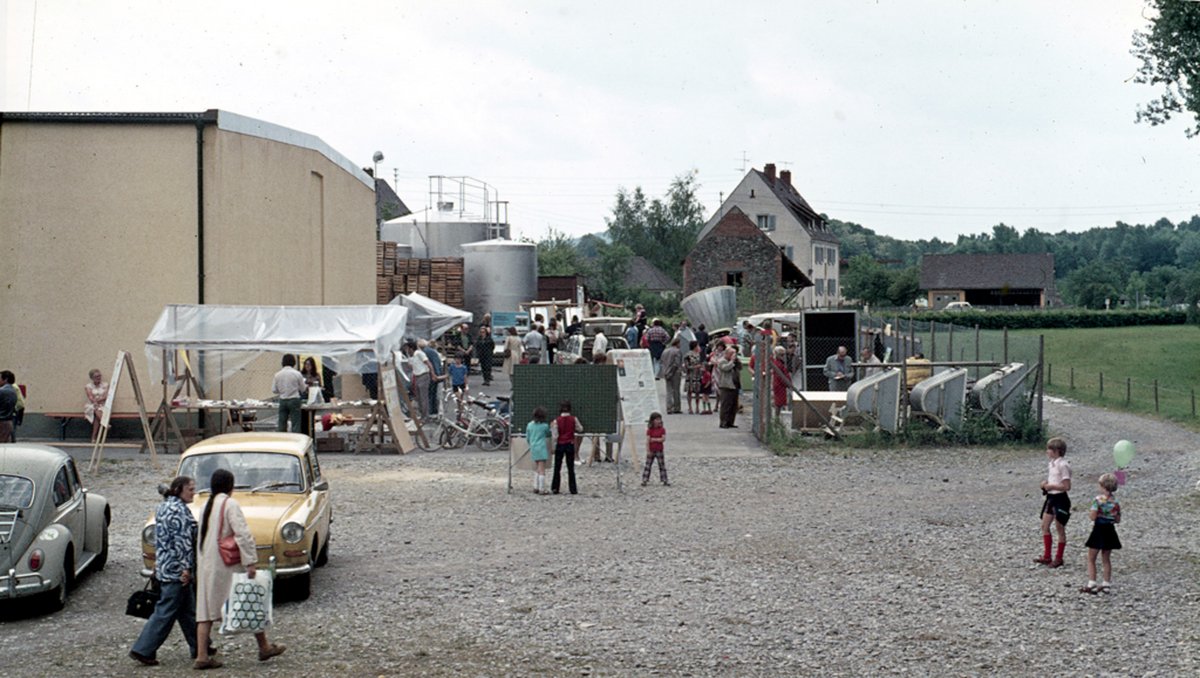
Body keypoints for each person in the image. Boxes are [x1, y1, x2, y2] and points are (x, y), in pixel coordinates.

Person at [194, 469, 284, 670]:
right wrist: (250, 562)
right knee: (249, 600)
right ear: (230, 485)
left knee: (206, 611)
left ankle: (202, 655)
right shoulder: (229, 504)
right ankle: (264, 646)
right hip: (226, 565)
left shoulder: (206, 505)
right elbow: (242, 534)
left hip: (207, 564)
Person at [130, 476, 200, 666]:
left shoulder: (163, 507)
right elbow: (182, 542)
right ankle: (143, 649)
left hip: (165, 566)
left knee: (188, 611)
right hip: (176, 570)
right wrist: (186, 568)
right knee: (165, 611)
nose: (193, 492)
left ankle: (202, 647)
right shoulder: (179, 511)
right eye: (190, 489)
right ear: (179, 490)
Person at [1080, 473, 1122, 594]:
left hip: (1098, 530)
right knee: (1106, 558)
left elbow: (1093, 516)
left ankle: (1092, 581)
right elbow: (1118, 519)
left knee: (1091, 557)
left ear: (1102, 486)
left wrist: (1095, 513)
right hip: (1110, 530)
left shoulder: (1098, 500)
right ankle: (1106, 583)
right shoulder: (1115, 502)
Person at [1035, 437, 1072, 568]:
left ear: (1057, 451)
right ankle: (1047, 555)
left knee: (1059, 528)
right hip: (1051, 498)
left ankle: (1059, 557)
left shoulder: (1063, 465)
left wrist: (1052, 487)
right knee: (1045, 526)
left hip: (1060, 499)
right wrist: (1045, 484)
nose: (1047, 452)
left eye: (1049, 449)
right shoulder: (1052, 464)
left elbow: (1066, 486)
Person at [549, 400, 583, 495]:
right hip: (570, 444)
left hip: (560, 444)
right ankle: (573, 489)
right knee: (570, 468)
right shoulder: (574, 419)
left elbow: (555, 436)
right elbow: (580, 429)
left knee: (557, 467)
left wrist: (553, 446)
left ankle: (555, 488)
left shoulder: (556, 421)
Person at [272, 355, 306, 433]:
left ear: (283, 362)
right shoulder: (297, 374)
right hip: (294, 399)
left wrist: (282, 391)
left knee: (282, 422)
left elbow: (274, 390)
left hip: (283, 400)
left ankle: (283, 439)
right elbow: (303, 389)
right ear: (293, 362)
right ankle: (295, 439)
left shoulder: (277, 375)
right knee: (295, 423)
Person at [526, 407, 551, 494]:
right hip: (542, 448)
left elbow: (528, 438)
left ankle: (535, 486)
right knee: (542, 469)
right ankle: (542, 488)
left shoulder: (529, 425)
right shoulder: (544, 426)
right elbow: (548, 433)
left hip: (533, 448)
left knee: (537, 468)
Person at [406, 342, 433, 421]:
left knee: (423, 397)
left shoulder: (419, 353)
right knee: (418, 397)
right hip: (417, 376)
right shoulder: (412, 356)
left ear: (411, 348)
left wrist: (433, 374)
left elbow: (428, 363)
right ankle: (422, 415)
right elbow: (410, 366)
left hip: (423, 375)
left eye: (408, 349)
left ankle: (425, 416)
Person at [642, 412, 670, 486]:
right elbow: (648, 440)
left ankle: (664, 479)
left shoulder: (662, 429)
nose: (659, 421)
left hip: (659, 449)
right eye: (657, 419)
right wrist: (648, 450)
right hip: (651, 449)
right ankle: (645, 479)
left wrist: (654, 439)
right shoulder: (650, 430)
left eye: (659, 419)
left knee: (661, 465)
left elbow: (663, 439)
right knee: (648, 465)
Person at [715, 346, 739, 428]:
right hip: (726, 385)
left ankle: (730, 422)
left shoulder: (734, 362)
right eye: (732, 354)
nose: (733, 355)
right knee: (726, 405)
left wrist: (736, 361)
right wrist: (732, 361)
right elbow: (725, 368)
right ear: (727, 354)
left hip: (735, 385)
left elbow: (740, 367)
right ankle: (723, 422)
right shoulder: (722, 361)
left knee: (733, 405)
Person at [84, 368, 109, 442]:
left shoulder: (105, 385)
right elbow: (90, 397)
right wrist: (95, 402)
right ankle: (104, 423)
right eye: (96, 377)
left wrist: (97, 401)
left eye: (99, 376)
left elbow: (105, 396)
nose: (99, 378)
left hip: (103, 405)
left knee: (96, 416)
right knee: (95, 408)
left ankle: (93, 437)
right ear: (92, 378)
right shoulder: (88, 386)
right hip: (91, 405)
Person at [421, 341, 444, 415]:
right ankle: (433, 410)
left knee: (430, 393)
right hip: (434, 374)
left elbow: (433, 364)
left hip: (430, 375)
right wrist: (438, 374)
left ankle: (431, 410)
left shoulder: (426, 351)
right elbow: (436, 364)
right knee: (433, 393)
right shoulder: (432, 352)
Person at [661, 337, 683, 414]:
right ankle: (676, 407)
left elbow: (662, 362)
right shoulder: (677, 351)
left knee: (669, 390)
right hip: (675, 373)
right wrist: (672, 371)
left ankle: (669, 407)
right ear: (677, 343)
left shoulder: (665, 351)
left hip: (666, 372)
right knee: (676, 390)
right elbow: (676, 363)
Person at [770, 345, 791, 419]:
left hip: (781, 384)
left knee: (780, 403)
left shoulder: (780, 363)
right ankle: (776, 417)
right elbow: (780, 376)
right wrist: (787, 383)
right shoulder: (778, 363)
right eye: (781, 354)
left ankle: (777, 417)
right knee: (778, 403)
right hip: (780, 385)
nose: (783, 356)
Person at [684, 341, 704, 415]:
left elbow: (701, 363)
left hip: (698, 375)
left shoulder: (699, 355)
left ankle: (697, 407)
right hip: (690, 375)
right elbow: (686, 366)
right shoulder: (688, 355)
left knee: (697, 392)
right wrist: (695, 367)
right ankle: (690, 407)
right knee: (690, 391)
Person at [0, 371, 17, 444]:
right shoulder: (13, 391)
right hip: (8, 421)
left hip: (1, 422)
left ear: (5, 379)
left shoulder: (2, 391)